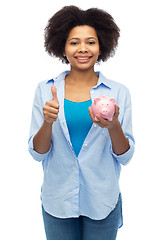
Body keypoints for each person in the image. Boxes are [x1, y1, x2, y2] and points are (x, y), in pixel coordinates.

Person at [28, 5, 135, 240]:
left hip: (102, 200)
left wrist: (113, 125)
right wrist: (47, 122)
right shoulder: (46, 90)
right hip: (58, 200)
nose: (83, 49)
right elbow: (37, 153)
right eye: (74, 42)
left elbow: (125, 157)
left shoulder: (119, 92)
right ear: (62, 47)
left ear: (101, 46)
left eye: (91, 42)